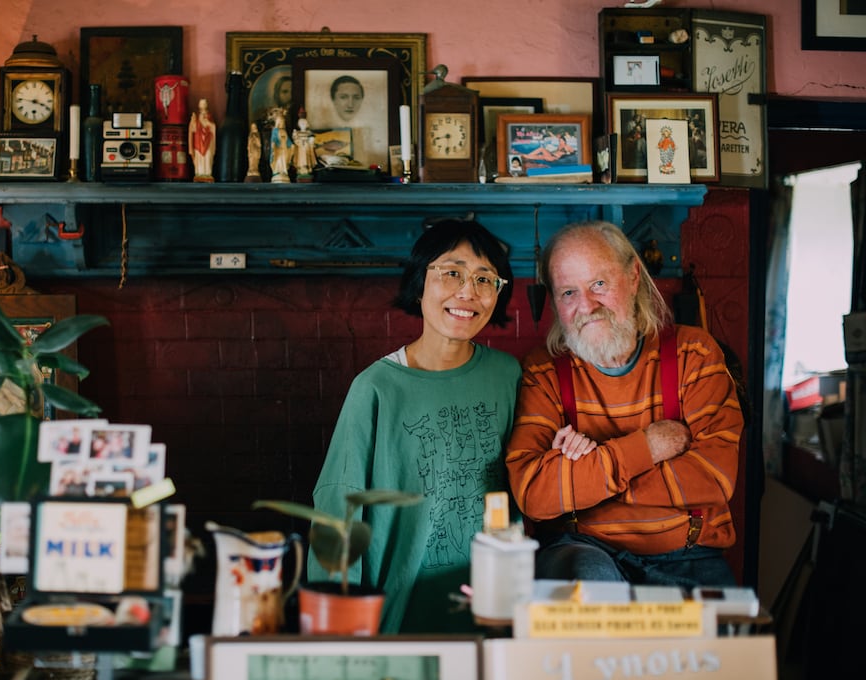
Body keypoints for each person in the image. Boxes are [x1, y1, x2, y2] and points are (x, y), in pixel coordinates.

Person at [505, 220, 744, 590]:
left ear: (633, 277)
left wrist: (585, 477)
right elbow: (535, 495)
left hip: (687, 556)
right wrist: (648, 446)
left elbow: (714, 478)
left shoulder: (693, 354)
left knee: (726, 644)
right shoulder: (544, 371)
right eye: (568, 292)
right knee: (593, 609)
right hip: (583, 549)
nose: (586, 306)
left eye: (599, 284)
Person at [311, 218, 521, 634]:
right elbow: (338, 508)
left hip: (491, 612)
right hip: (397, 616)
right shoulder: (376, 387)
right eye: (452, 273)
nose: (468, 292)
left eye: (485, 279)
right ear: (419, 281)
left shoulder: (508, 376)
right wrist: (337, 630)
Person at [188, 98, 216, 182]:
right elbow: (192, 130)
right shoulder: (196, 118)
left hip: (208, 141)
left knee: (207, 157)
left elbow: (213, 127)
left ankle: (207, 173)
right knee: (199, 158)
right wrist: (193, 123)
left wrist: (208, 123)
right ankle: (199, 172)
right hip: (198, 141)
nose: (202, 105)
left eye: (204, 103)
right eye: (201, 103)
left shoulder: (210, 117)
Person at [292, 108, 316, 181]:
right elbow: (295, 139)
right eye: (302, 124)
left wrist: (311, 141)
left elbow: (312, 138)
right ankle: (301, 169)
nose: (303, 125)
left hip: (307, 146)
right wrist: (299, 142)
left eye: (304, 123)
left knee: (307, 157)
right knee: (301, 158)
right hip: (300, 147)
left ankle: (307, 168)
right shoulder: (297, 132)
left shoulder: (309, 132)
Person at [269, 114, 292, 183]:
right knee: (278, 160)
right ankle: (277, 171)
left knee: (284, 160)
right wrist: (274, 145)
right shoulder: (275, 131)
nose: (282, 123)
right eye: (280, 121)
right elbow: (273, 140)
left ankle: (283, 172)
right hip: (278, 149)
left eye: (283, 122)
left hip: (284, 148)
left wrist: (291, 145)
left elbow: (288, 141)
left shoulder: (284, 131)